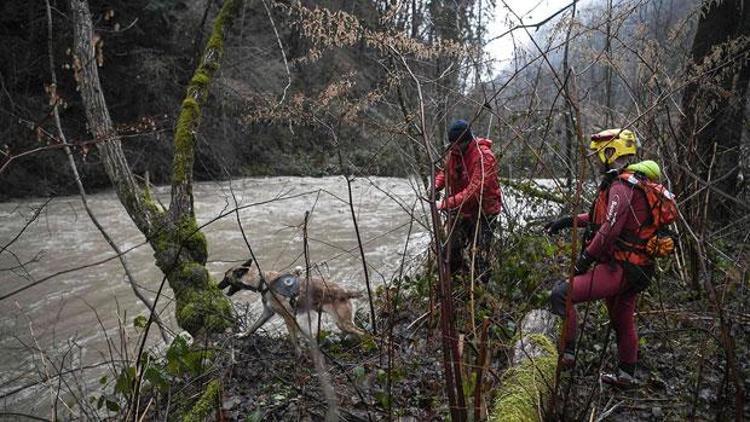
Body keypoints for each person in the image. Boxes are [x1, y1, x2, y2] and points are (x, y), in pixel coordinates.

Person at [544, 128, 677, 387]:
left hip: (621, 266)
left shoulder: (621, 186)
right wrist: (566, 221)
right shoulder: (632, 182)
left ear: (611, 152)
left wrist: (585, 259)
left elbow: (610, 228)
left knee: (562, 294)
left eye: (599, 155)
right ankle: (626, 375)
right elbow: (603, 219)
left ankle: (566, 357)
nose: (596, 160)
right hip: (637, 266)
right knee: (622, 318)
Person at [434, 119, 502, 283]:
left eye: (455, 144)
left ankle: (482, 292)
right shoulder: (454, 152)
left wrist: (445, 204)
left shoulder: (484, 157)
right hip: (462, 209)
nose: (452, 147)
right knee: (451, 250)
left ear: (465, 141)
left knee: (479, 255)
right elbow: (445, 172)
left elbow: (474, 191)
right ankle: (457, 283)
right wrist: (436, 185)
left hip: (484, 212)